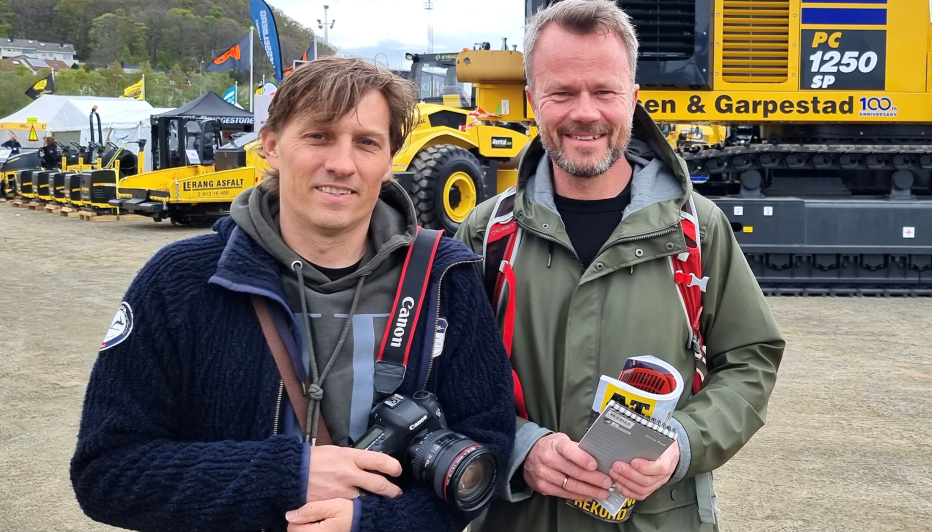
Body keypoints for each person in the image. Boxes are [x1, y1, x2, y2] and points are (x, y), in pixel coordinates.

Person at [71, 57, 515, 532]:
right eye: (319, 136)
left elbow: (485, 445)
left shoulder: (446, 279)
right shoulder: (181, 280)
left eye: (366, 143)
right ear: (271, 146)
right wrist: (288, 475)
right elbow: (107, 471)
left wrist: (376, 521)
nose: (341, 164)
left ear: (389, 162)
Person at [455, 1, 785, 531]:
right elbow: (445, 374)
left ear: (632, 99)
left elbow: (750, 362)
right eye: (561, 92)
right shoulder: (486, 235)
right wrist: (520, 446)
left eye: (604, 92)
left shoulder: (698, 231)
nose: (585, 112)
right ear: (531, 100)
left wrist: (681, 444)